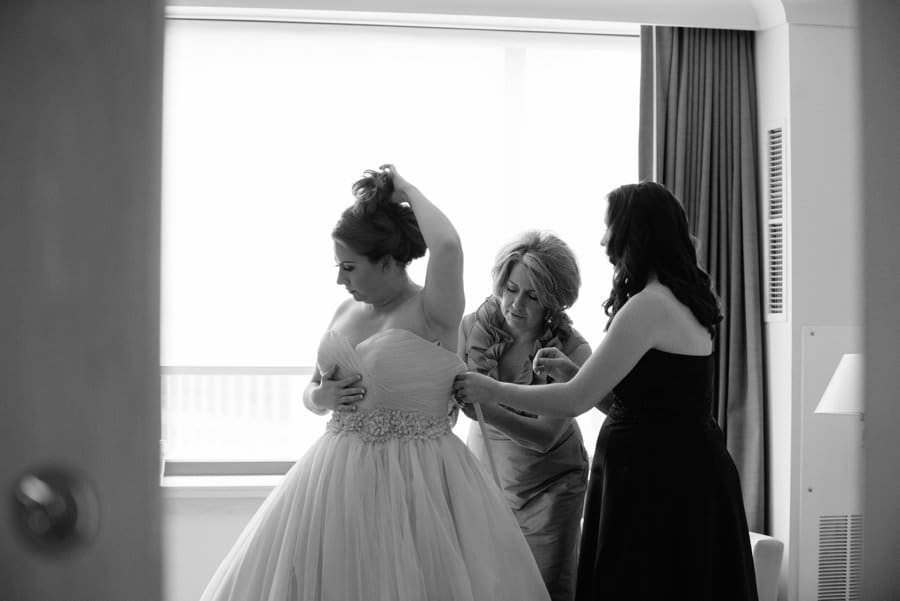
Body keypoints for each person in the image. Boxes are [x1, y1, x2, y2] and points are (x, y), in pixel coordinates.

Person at [200, 165, 551, 601]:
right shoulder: (343, 313)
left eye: (349, 267)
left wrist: (404, 189)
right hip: (335, 479)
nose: (340, 279)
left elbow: (447, 243)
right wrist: (320, 396)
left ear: (387, 263)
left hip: (419, 481)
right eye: (338, 267)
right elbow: (312, 393)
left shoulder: (432, 311)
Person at [453, 181, 759, 601]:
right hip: (678, 469)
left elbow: (575, 400)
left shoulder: (648, 306)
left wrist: (491, 390)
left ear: (635, 234)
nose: (602, 239)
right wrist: (574, 371)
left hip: (653, 479)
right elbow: (642, 402)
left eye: (609, 227)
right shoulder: (685, 299)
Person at [457, 230, 590, 601]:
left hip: (550, 486)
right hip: (488, 479)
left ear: (554, 303)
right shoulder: (470, 327)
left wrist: (484, 405)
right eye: (511, 288)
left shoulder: (573, 349)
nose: (516, 304)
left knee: (543, 590)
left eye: (533, 296)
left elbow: (546, 435)